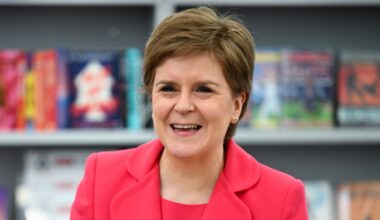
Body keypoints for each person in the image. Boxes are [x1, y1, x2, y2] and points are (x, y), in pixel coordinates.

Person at [70, 6, 308, 220]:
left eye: (203, 90)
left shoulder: (282, 198)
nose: (183, 106)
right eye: (168, 89)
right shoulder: (100, 179)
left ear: (237, 105)